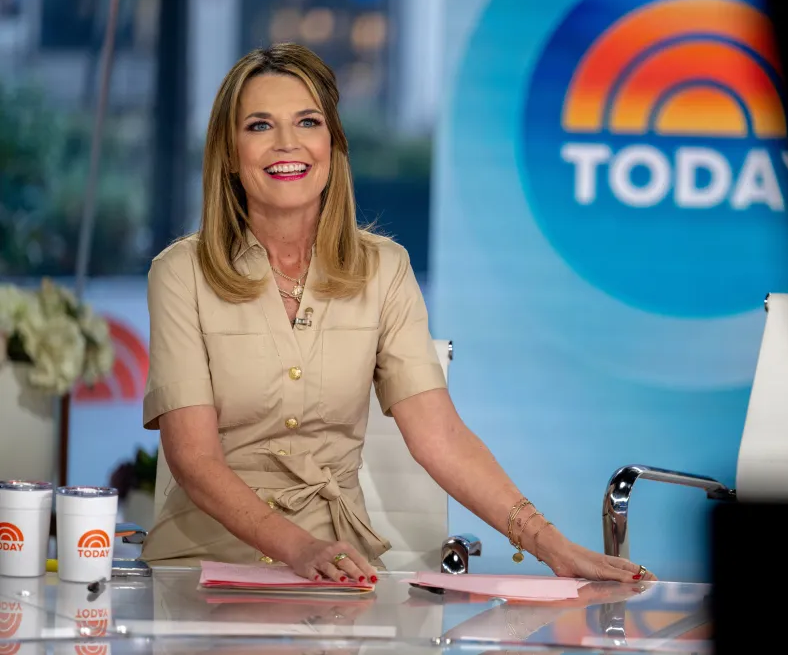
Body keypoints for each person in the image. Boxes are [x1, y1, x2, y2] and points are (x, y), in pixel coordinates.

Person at [139, 43, 655, 584]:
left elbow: (442, 438)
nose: (287, 143)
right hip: (202, 568)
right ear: (229, 152)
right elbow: (193, 458)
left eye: (307, 122)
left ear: (333, 145)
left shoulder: (385, 269)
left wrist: (552, 546)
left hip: (341, 573)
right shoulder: (180, 274)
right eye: (260, 126)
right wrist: (298, 547)